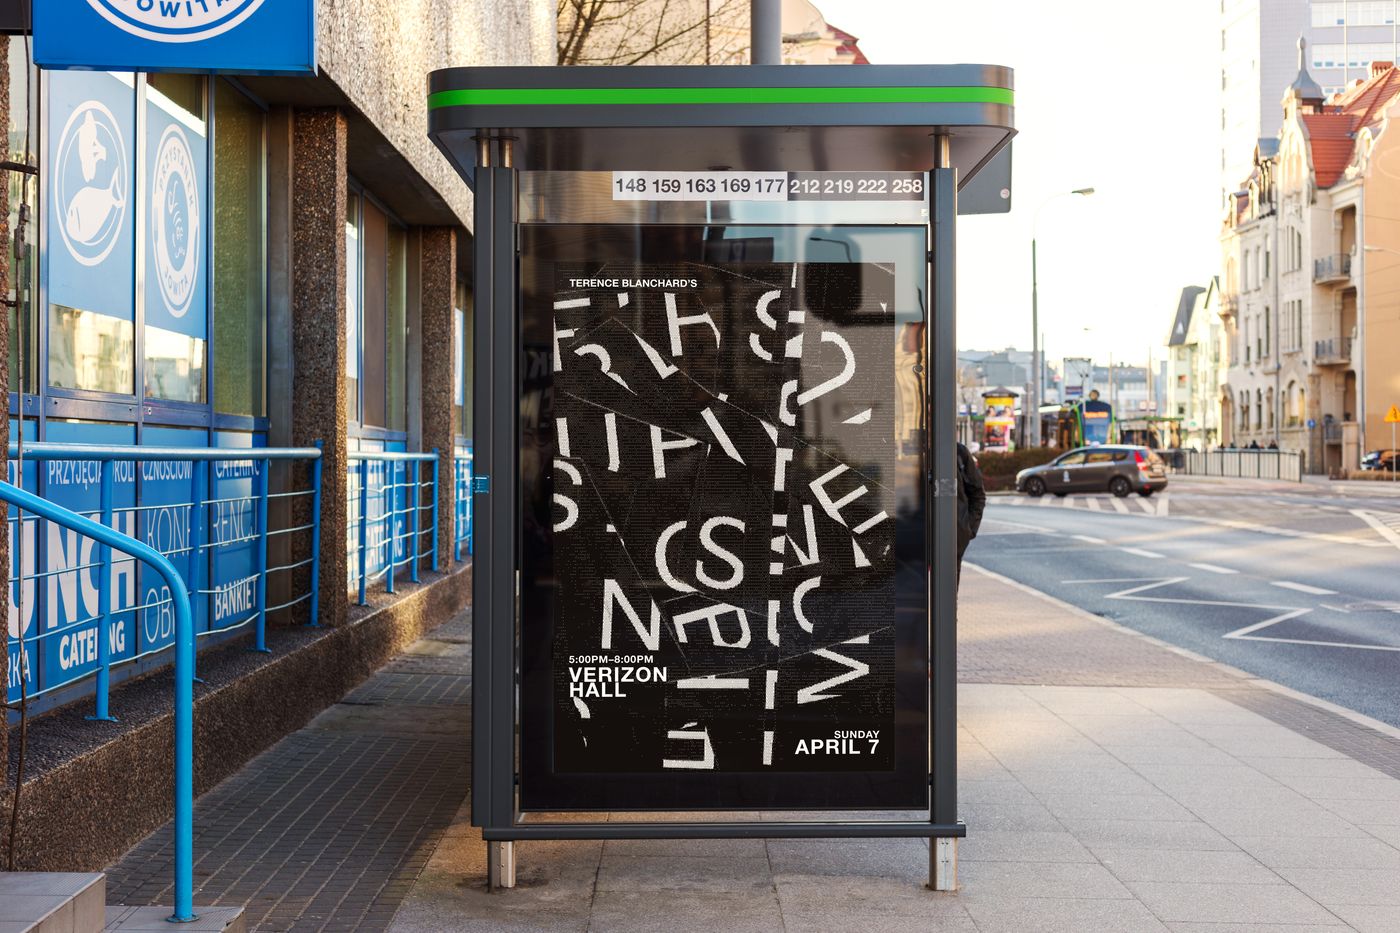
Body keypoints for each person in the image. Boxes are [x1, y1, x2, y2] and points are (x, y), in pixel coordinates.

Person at [956, 442, 986, 587]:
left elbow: (977, 494)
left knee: (947, 602)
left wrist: (968, 529)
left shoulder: (958, 453)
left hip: (953, 540)